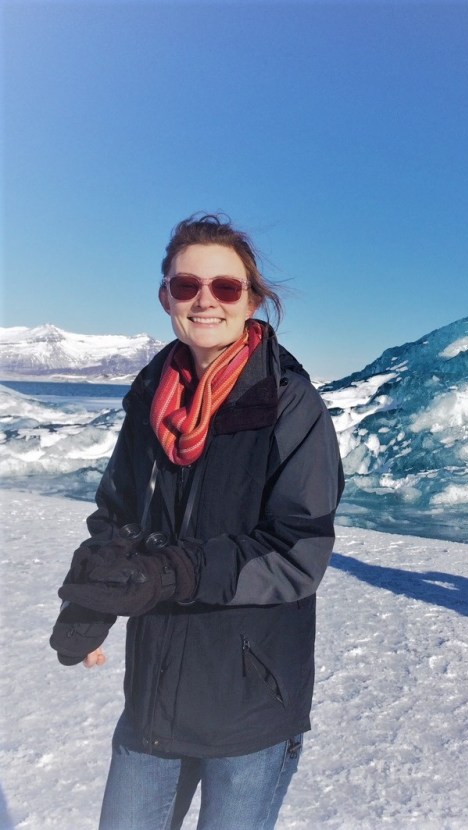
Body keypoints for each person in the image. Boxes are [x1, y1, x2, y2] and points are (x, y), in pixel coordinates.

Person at [50, 214, 344, 830]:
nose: (205, 300)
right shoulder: (152, 393)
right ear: (167, 297)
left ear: (253, 299)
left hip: (250, 703)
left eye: (226, 287)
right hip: (155, 699)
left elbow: (297, 552)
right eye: (187, 286)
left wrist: (174, 573)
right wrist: (90, 601)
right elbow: (117, 514)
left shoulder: (289, 402)